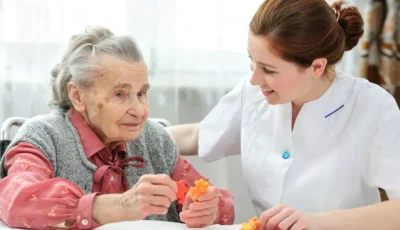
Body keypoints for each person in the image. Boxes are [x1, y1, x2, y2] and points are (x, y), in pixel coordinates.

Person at [167, 0, 400, 229]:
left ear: (317, 67)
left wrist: (316, 222)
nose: (254, 79)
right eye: (252, 59)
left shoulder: (371, 106)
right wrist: (136, 131)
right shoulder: (254, 92)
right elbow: (199, 135)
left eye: (268, 69)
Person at [0, 26, 234, 229]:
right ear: (77, 95)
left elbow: (220, 207)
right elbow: (15, 198)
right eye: (120, 94)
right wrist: (120, 206)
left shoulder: (156, 140)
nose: (139, 110)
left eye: (142, 93)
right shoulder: (42, 137)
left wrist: (208, 209)